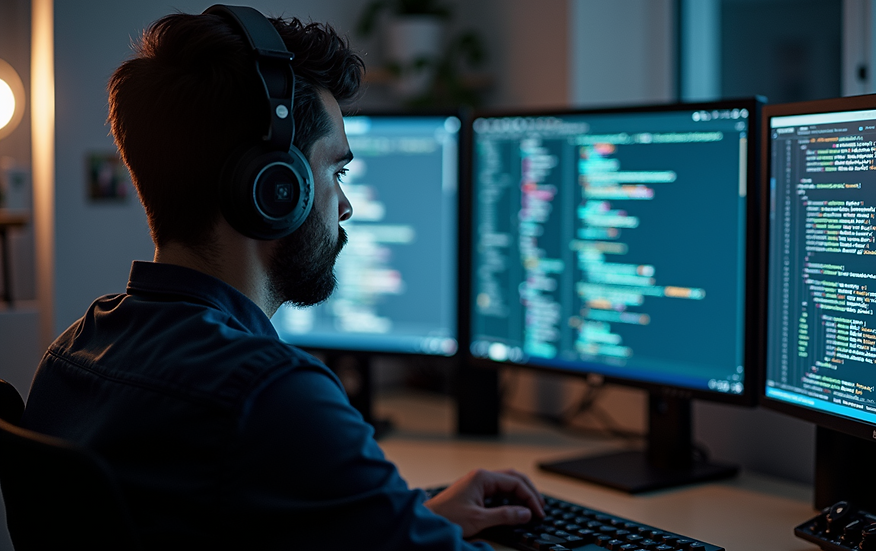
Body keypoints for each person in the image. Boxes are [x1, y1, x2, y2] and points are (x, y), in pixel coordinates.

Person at [20, 6, 544, 550]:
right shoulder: (270, 394)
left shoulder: (71, 354)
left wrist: (415, 520)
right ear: (274, 188)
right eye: (335, 172)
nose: (344, 205)